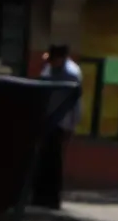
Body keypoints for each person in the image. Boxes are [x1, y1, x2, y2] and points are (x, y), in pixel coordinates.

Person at [34, 42, 82, 208]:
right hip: (47, 119)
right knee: (42, 159)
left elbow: (74, 102)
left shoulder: (71, 74)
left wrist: (72, 126)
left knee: (54, 161)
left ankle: (51, 199)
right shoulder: (48, 69)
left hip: (61, 121)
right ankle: (39, 196)